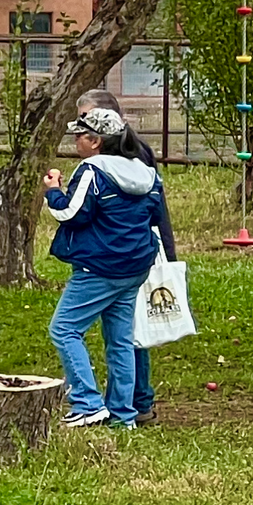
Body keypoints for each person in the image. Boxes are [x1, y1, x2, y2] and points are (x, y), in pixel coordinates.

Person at [42, 105, 175, 430]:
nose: (75, 140)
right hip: (135, 267)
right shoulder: (147, 173)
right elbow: (155, 217)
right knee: (121, 340)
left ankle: (87, 403)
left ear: (96, 140)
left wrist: (53, 192)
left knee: (64, 329)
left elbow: (72, 214)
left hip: (98, 267)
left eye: (79, 135)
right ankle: (123, 415)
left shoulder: (92, 170)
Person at [76, 88, 172, 423]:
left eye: (86, 122)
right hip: (132, 255)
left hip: (120, 256)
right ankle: (126, 408)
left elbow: (146, 209)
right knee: (124, 332)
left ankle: (131, 400)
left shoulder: (128, 159)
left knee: (124, 332)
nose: (80, 131)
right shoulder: (131, 157)